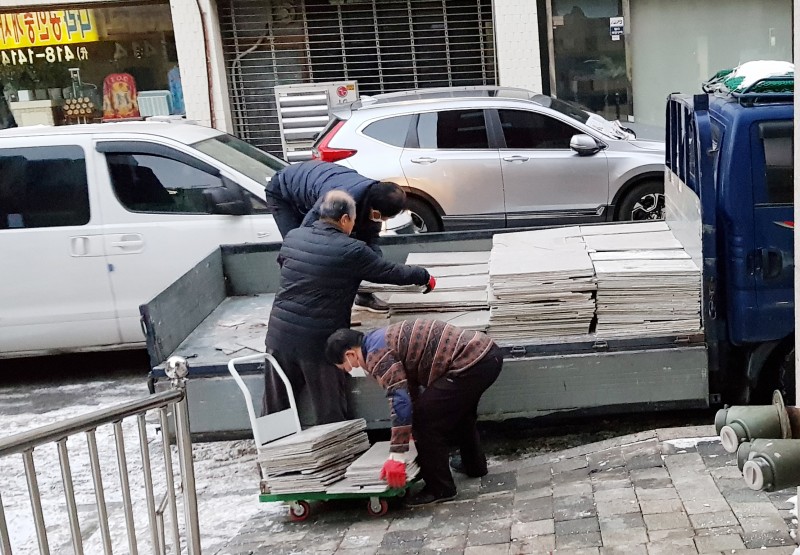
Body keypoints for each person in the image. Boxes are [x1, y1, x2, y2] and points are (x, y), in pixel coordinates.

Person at [264, 190, 436, 426]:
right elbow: (388, 272)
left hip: (278, 336)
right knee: (330, 413)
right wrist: (424, 276)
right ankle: (337, 459)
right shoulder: (351, 250)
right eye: (353, 221)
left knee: (276, 407)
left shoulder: (294, 237)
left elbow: (285, 265)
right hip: (320, 342)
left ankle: (271, 457)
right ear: (345, 219)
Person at [325, 319, 504, 506]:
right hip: (486, 354)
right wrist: (405, 430)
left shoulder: (376, 355)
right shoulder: (380, 338)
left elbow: (400, 400)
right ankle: (474, 466)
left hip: (470, 363)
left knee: (424, 421)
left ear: (350, 354)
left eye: (348, 367)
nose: (354, 370)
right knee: (459, 412)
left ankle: (440, 489)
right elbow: (408, 387)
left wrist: (397, 455)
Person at [265, 160, 407, 313]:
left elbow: (369, 243)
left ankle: (364, 296)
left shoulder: (374, 200)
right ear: (373, 206)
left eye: (386, 219)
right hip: (284, 191)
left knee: (354, 249)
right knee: (303, 252)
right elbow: (305, 238)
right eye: (380, 216)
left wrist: (376, 267)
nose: (382, 220)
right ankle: (299, 304)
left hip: (318, 183)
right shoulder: (337, 199)